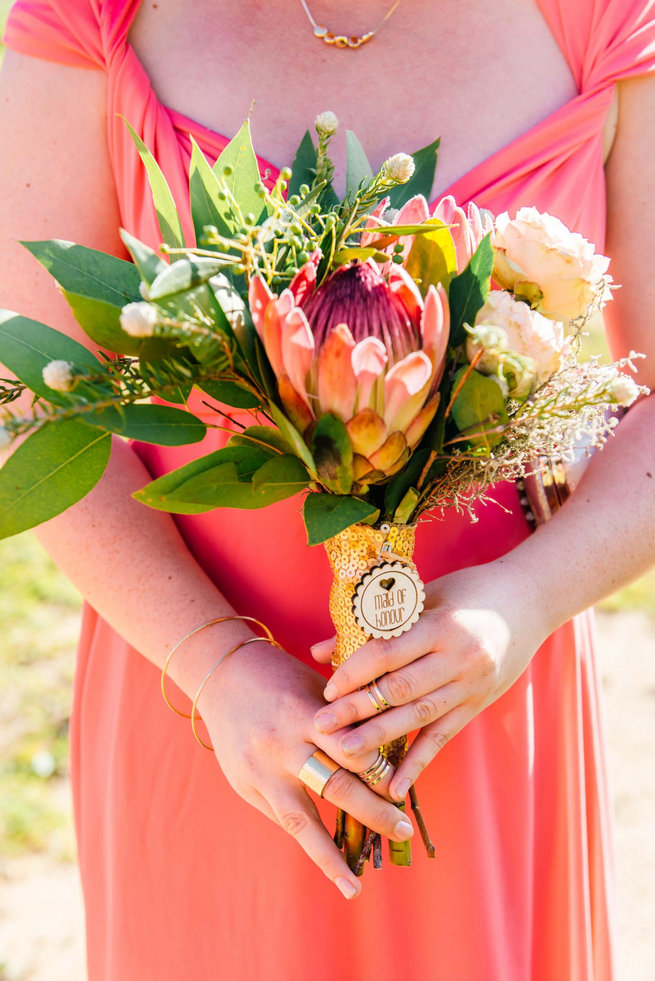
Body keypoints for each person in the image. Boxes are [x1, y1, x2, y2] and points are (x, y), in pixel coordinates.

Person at [1, 1, 654, 978]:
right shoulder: (95, 14)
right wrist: (215, 663)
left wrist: (524, 602)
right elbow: (28, 392)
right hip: (198, 695)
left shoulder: (605, 19)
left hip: (476, 695)